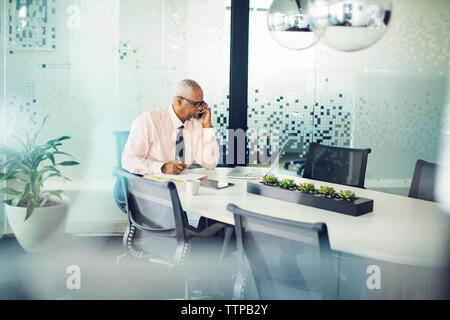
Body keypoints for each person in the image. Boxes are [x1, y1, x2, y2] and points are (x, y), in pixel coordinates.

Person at [122, 79, 219, 175]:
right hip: (154, 182)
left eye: (201, 104)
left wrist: (207, 126)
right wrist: (161, 168)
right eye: (196, 104)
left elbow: (210, 163)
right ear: (179, 102)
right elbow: (129, 160)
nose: (200, 108)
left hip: (184, 183)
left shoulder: (196, 122)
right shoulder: (149, 120)